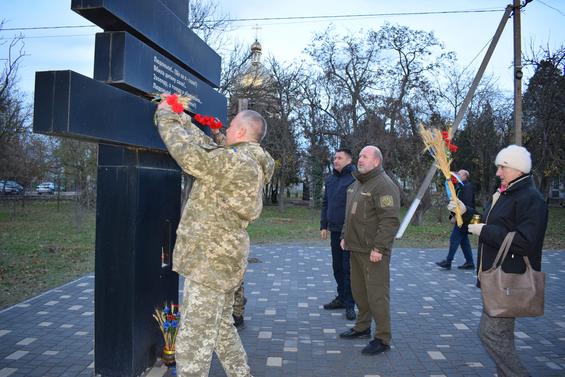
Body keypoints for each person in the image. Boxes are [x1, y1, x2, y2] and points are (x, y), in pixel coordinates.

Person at [155, 101, 275, 377]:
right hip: (225, 260)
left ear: (242, 132)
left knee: (194, 338)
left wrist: (166, 115)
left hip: (210, 261)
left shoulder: (236, 161)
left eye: (231, 127)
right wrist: (185, 121)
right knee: (221, 327)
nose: (226, 130)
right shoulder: (250, 160)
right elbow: (213, 150)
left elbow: (191, 157)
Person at [468, 145, 548, 377]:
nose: (498, 173)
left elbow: (525, 241)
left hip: (509, 280)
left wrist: (484, 231)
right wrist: (465, 212)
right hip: (496, 278)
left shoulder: (531, 199)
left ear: (516, 169)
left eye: (502, 167)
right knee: (502, 338)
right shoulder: (508, 193)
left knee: (490, 334)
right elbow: (492, 223)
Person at [338, 146, 400, 355]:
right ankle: (362, 327)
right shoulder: (358, 182)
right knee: (359, 292)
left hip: (373, 251)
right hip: (355, 248)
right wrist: (344, 236)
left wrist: (379, 248)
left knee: (377, 296)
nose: (360, 159)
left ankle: (382, 338)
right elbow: (350, 214)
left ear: (376, 162)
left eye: (365, 156)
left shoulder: (383, 185)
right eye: (360, 156)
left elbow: (389, 221)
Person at [320, 148, 357, 320]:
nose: (335, 160)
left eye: (339, 158)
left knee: (348, 268)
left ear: (348, 160)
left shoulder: (355, 179)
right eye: (334, 158)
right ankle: (341, 298)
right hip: (334, 230)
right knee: (337, 267)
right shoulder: (331, 179)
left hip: (349, 232)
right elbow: (325, 203)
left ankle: (350, 304)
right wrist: (324, 225)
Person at [436, 169, 477, 270]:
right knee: (464, 241)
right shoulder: (461, 186)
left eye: (459, 174)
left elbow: (464, 205)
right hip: (462, 217)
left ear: (465, 176)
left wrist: (456, 216)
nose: (457, 175)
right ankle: (470, 262)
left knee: (454, 239)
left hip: (463, 218)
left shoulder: (467, 187)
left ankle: (448, 261)